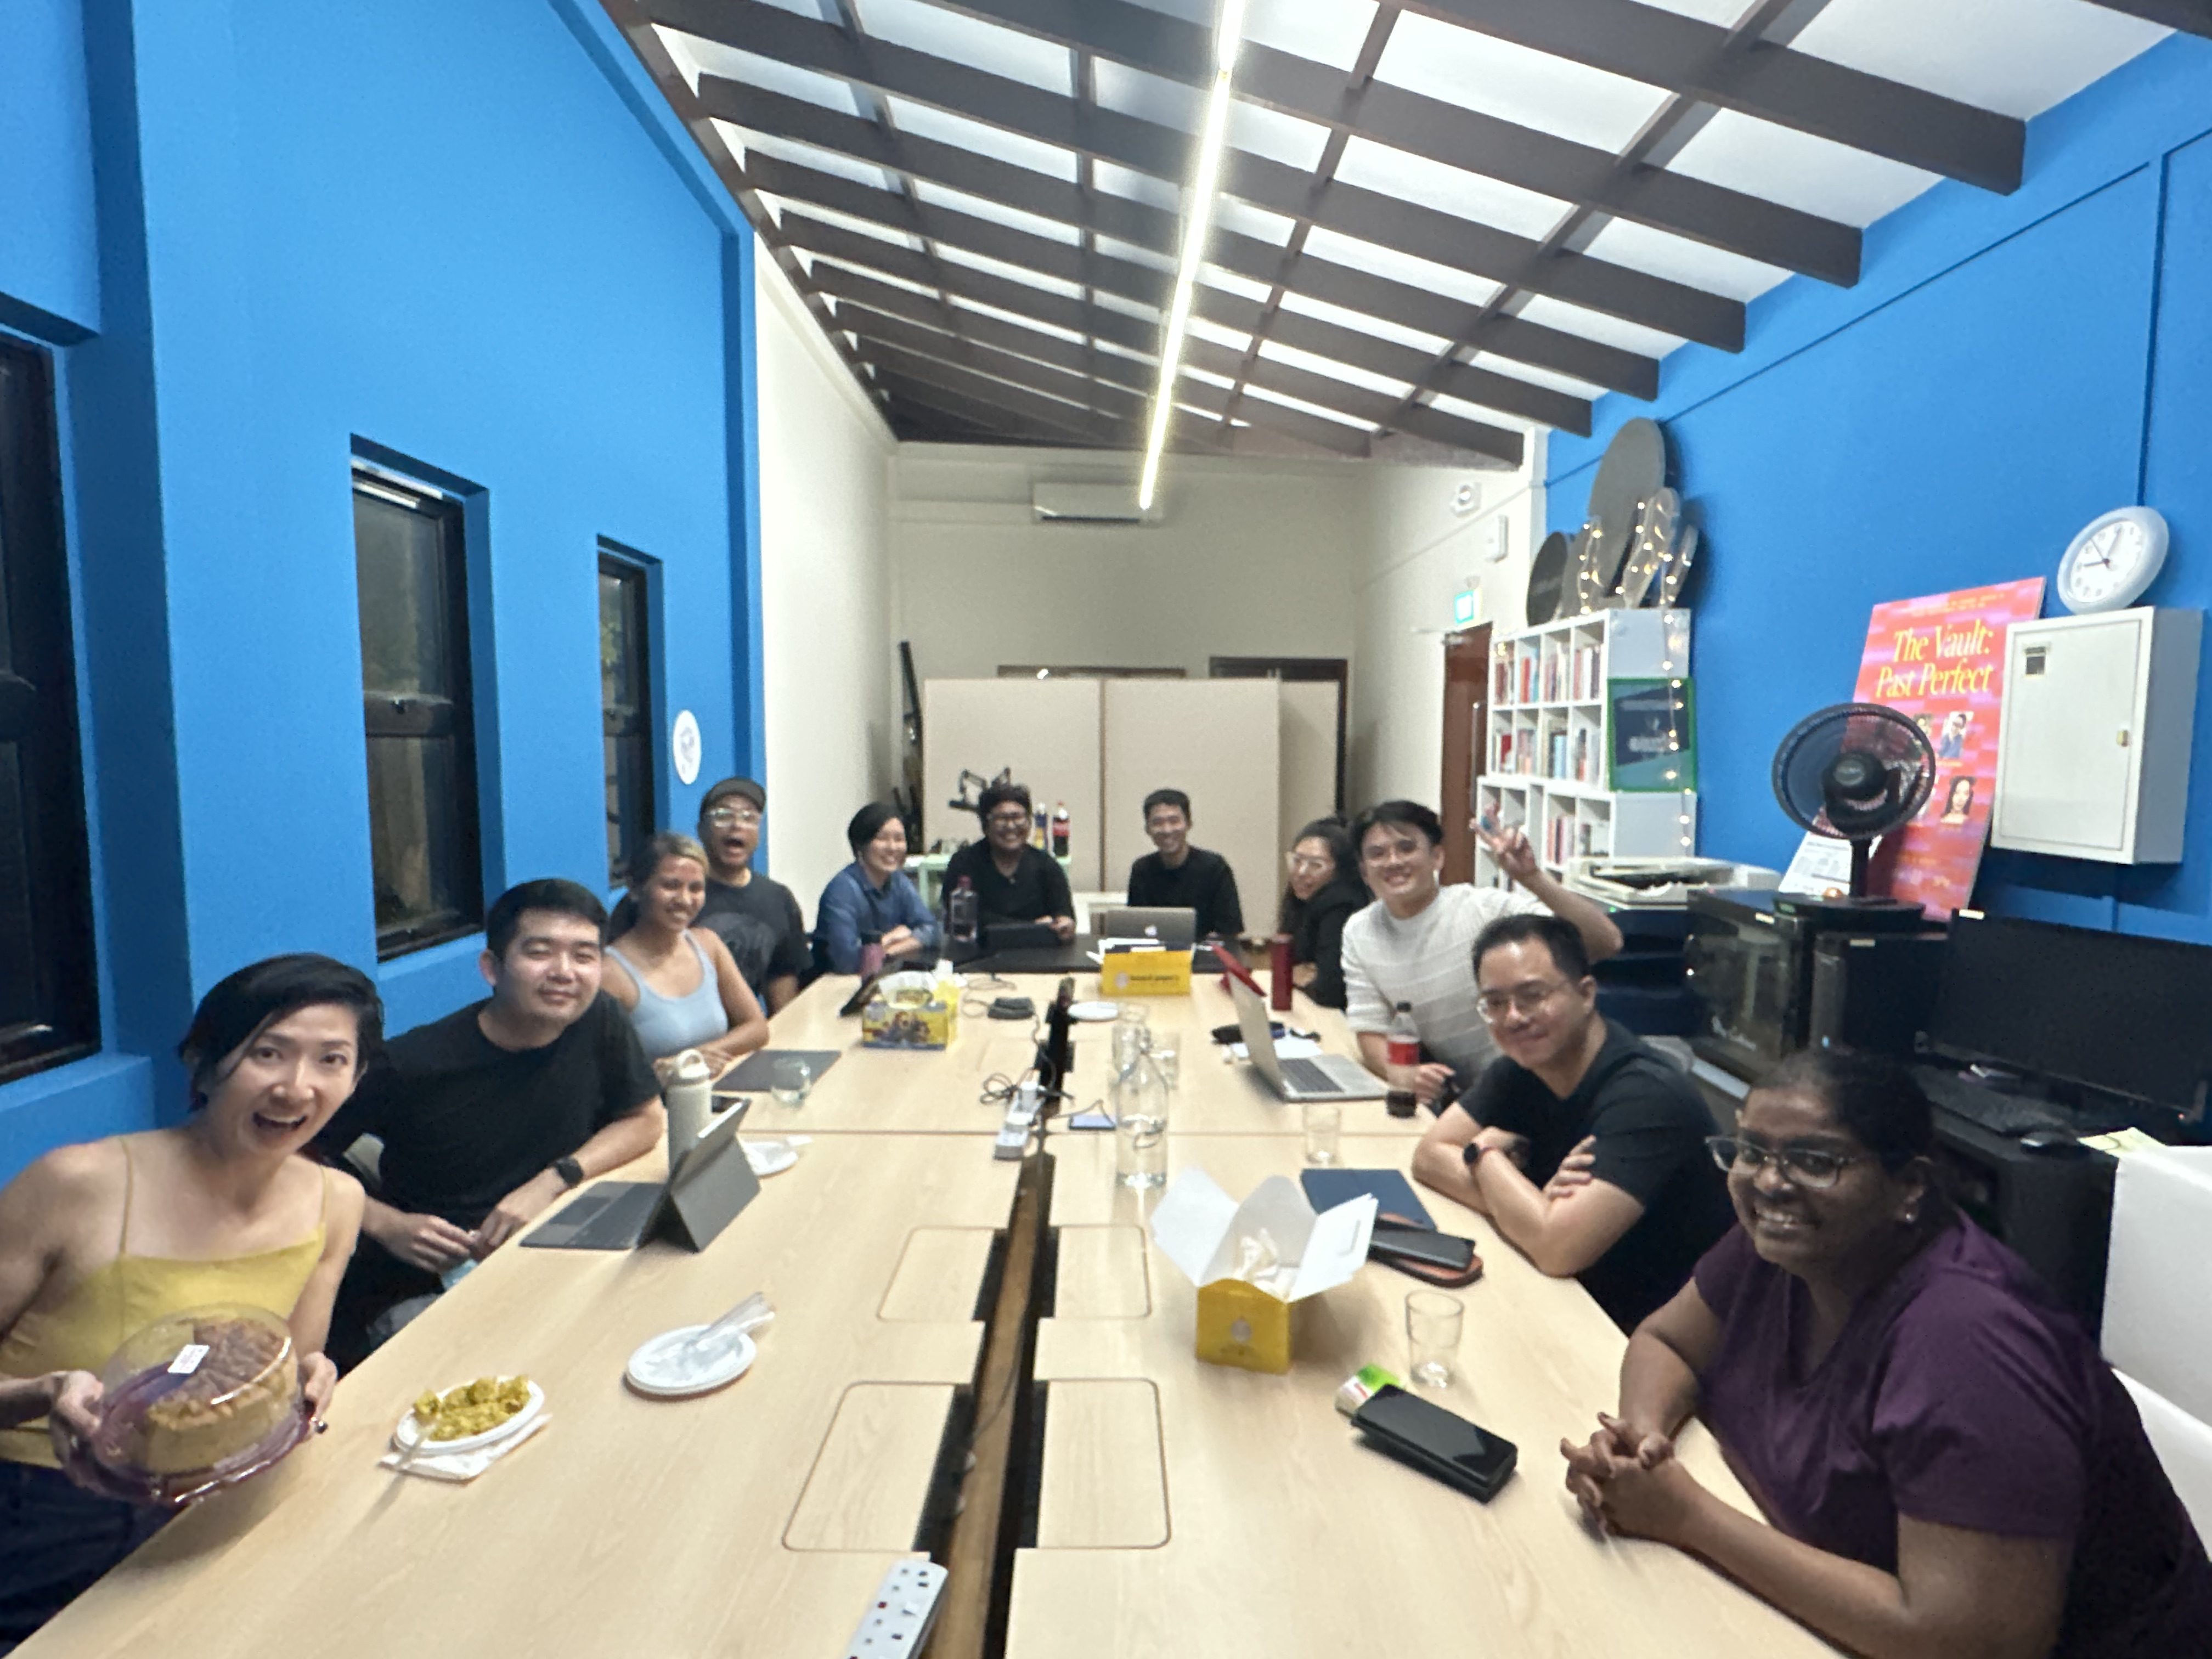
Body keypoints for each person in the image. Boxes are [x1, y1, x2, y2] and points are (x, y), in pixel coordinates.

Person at [1561, 1050, 2212, 1658]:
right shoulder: (1779, 1247)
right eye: (1750, 1151)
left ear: (1909, 1187)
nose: (1768, 1183)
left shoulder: (1968, 1341)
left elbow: (1965, 1641)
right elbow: (1666, 1342)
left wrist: (1686, 1515)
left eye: (1815, 1161)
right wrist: (1641, 1443)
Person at [0, 955, 376, 1649]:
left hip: (221, 1501)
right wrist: (42, 1392)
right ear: (204, 1066)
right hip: (44, 1506)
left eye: (331, 1060)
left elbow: (286, 1368)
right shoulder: (77, 1182)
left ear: (356, 1081)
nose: (297, 1086)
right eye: (268, 1053)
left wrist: (311, 1380)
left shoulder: (338, 1201)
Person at [315, 879, 664, 1368]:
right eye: (540, 952)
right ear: (491, 968)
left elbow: (645, 1119)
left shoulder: (598, 1019)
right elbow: (289, 1160)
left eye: (584, 956)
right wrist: (385, 1223)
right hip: (438, 1282)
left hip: (559, 1246)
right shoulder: (410, 1064)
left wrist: (554, 1179)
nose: (564, 972)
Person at [1411, 914, 1730, 1330]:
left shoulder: (1647, 1096)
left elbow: (1556, 1248)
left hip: (1644, 1335)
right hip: (1564, 1299)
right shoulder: (1520, 1070)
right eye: (1495, 1003)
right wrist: (1534, 1204)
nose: (1513, 1018)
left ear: (1586, 994)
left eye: (1533, 995)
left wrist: (1486, 1153)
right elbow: (1429, 1156)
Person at [1341, 801, 1623, 1104]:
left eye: (1407, 848)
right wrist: (1403, 1074)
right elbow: (1370, 1028)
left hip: (1554, 1085)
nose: (1393, 861)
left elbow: (1605, 943)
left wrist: (1532, 878)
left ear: (1437, 857)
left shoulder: (1483, 910)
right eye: (1378, 854)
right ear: (1364, 871)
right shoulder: (1360, 931)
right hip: (1479, 1096)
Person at [607, 777, 809, 1013]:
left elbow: (783, 988)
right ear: (701, 829)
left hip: (741, 1036)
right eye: (723, 816)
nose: (737, 825)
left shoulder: (779, 899)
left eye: (749, 818)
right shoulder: (652, 900)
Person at [602, 832, 771, 1072]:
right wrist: (673, 1069)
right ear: (636, 889)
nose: (684, 899)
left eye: (695, 888)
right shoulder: (610, 974)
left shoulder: (708, 945)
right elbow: (600, 1075)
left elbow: (757, 1028)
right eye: (671, 886)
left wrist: (699, 1057)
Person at [814, 803, 939, 976]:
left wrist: (885, 951)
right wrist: (890, 938)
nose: (893, 847)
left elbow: (932, 931)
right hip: (837, 987)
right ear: (861, 846)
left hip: (882, 979)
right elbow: (847, 962)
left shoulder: (898, 881)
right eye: (882, 838)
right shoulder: (842, 891)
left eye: (899, 839)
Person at [941, 782, 1075, 941]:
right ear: (986, 824)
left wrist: (1065, 924)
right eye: (1002, 818)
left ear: (1029, 822)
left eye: (1018, 817)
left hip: (1037, 957)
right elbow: (964, 921)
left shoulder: (1047, 865)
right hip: (977, 958)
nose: (1011, 826)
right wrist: (1031, 927)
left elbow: (1065, 914)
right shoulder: (964, 863)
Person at [1125, 788, 1244, 941]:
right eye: (1158, 823)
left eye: (1174, 821)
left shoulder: (1215, 867)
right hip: (1156, 956)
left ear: (1189, 824)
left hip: (1206, 957)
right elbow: (1135, 927)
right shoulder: (1141, 869)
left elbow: (1230, 929)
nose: (1167, 830)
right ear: (1148, 829)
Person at [1277, 817, 1366, 1009]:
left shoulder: (1342, 906)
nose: (1300, 872)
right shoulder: (1301, 901)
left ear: (1340, 871)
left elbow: (1329, 990)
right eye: (1296, 860)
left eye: (1316, 865)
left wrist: (1297, 975)